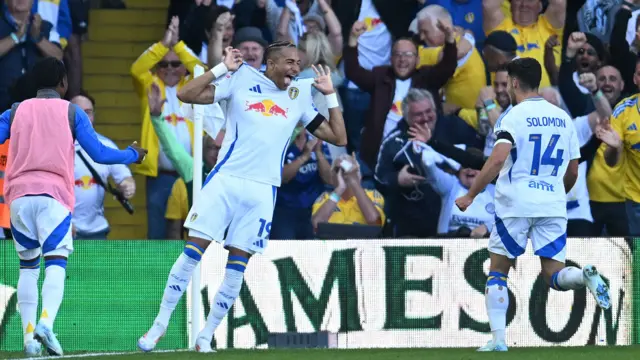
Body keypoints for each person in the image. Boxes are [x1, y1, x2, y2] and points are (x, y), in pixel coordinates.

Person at [138, 41, 347, 353]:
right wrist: (222, 69)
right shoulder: (241, 79)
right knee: (193, 251)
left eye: (297, 63)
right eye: (289, 62)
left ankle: (207, 335)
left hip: (263, 190)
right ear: (271, 63)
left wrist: (329, 94)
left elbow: (339, 137)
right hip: (226, 181)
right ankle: (160, 323)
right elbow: (186, 95)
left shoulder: (300, 94)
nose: (294, 68)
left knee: (237, 265)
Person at [454, 58, 610, 352]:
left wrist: (471, 195)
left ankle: (499, 340)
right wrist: (553, 193)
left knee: (499, 270)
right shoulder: (562, 117)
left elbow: (498, 159)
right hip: (552, 205)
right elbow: (574, 170)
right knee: (554, 275)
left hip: (515, 204)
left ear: (513, 82)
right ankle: (584, 275)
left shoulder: (512, 116)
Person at [0, 57, 146, 356]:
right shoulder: (71, 111)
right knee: (55, 262)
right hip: (53, 197)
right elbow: (100, 154)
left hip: (17, 198)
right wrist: (132, 154)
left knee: (28, 267)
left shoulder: (15, 112)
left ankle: (28, 340)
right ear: (63, 83)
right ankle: (45, 323)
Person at [71, 91, 136, 240]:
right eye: (78, 113)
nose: (84, 118)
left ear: (94, 115)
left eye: (88, 112)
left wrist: (127, 185)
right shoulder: (56, 148)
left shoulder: (106, 145)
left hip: (98, 230)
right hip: (66, 229)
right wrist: (60, 223)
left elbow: (125, 177)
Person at [311, 154, 385, 232]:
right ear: (332, 177)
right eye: (338, 170)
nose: (344, 174)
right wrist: (340, 189)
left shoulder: (373, 195)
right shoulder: (326, 198)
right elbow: (316, 226)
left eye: (348, 169)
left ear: (359, 175)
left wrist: (353, 181)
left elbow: (376, 223)